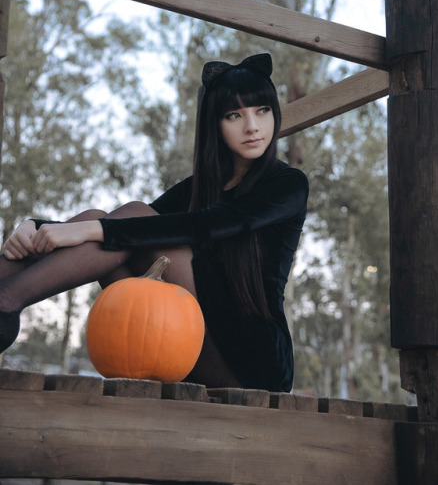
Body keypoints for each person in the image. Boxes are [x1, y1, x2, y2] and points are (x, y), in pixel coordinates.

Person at [0, 53, 308, 392]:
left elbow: (203, 226)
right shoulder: (200, 187)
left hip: (251, 362)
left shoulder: (288, 184)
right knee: (104, 221)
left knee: (124, 221)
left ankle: (7, 302)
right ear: (215, 126)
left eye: (262, 110)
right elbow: (129, 228)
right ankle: (5, 300)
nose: (252, 126)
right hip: (182, 339)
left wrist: (88, 229)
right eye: (234, 115)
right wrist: (36, 225)